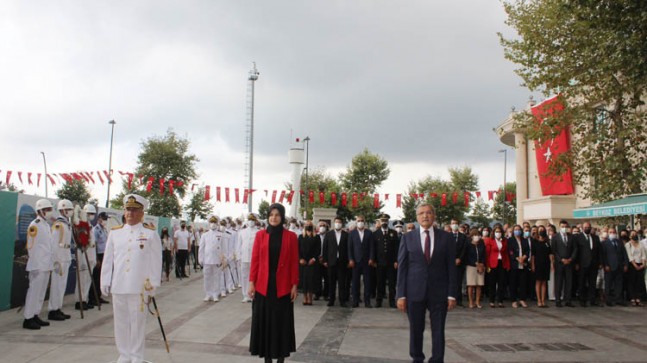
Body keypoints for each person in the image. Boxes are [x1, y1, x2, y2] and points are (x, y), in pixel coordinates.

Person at [100, 194, 162, 363]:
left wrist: (153, 284)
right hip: (119, 284)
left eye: (135, 210)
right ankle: (124, 354)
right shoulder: (115, 233)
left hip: (139, 286)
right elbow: (108, 260)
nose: (130, 213)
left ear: (142, 212)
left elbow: (156, 261)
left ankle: (136, 356)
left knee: (137, 323)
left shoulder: (150, 234)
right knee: (120, 322)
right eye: (128, 209)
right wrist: (105, 281)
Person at [397, 203, 457, 363]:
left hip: (439, 292)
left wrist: (452, 294)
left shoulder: (446, 238)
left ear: (434, 216)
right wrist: (401, 295)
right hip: (414, 291)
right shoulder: (407, 237)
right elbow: (402, 268)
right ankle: (417, 358)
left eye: (429, 212)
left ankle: (437, 359)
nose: (425, 216)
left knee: (438, 330)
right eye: (422, 213)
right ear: (417, 217)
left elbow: (451, 267)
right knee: (416, 329)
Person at [248, 203, 298, 363]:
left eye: (277, 215)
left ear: (282, 217)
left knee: (281, 324)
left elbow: (293, 263)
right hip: (263, 287)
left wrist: (294, 285)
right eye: (271, 214)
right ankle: (267, 359)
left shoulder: (290, 236)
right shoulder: (260, 235)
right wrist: (251, 282)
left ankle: (281, 358)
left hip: (282, 288)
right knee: (266, 323)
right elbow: (255, 260)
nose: (274, 218)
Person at [22, 199, 55, 330]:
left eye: (49, 210)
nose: (48, 212)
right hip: (38, 265)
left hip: (46, 265)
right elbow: (31, 247)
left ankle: (35, 314)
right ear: (40, 211)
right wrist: (35, 265)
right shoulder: (34, 225)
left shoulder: (46, 225)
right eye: (46, 210)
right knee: (34, 292)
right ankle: (28, 318)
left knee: (41, 293)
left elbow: (49, 247)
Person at [48, 199, 74, 321]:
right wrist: (55, 260)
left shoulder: (66, 224)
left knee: (62, 285)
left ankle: (58, 308)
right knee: (56, 285)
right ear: (62, 210)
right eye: (68, 209)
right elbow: (53, 244)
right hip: (59, 258)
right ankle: (53, 310)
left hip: (65, 256)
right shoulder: (58, 225)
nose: (70, 212)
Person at [322, 216, 350, 307]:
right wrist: (325, 260)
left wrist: (349, 260)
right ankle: (331, 300)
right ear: (334, 223)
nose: (338, 224)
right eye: (336, 222)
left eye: (339, 222)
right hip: (331, 262)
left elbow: (348, 249)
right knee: (331, 282)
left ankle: (342, 300)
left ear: (342, 224)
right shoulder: (329, 234)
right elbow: (325, 248)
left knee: (342, 282)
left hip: (342, 262)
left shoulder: (346, 235)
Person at [372, 213, 399, 308]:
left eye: (386, 221)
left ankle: (392, 302)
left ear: (388, 222)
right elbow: (373, 248)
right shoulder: (375, 233)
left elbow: (397, 248)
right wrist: (373, 260)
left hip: (391, 263)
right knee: (380, 283)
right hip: (379, 263)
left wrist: (396, 261)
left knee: (392, 284)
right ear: (380, 221)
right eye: (382, 220)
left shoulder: (393, 233)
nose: (384, 222)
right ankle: (378, 301)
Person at [348, 215, 374, 308]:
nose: (360, 222)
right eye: (358, 221)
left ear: (365, 222)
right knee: (355, 282)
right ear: (356, 222)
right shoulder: (352, 233)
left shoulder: (369, 233)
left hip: (367, 261)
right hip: (355, 261)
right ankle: (355, 301)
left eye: (362, 220)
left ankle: (367, 302)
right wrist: (350, 259)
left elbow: (372, 247)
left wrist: (371, 258)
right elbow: (350, 248)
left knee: (367, 282)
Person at [75, 204, 98, 310]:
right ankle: (79, 300)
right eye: (89, 213)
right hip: (84, 254)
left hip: (91, 254)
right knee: (82, 278)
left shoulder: (90, 226)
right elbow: (81, 242)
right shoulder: (81, 225)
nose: (91, 215)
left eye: (93, 214)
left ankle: (85, 299)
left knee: (88, 279)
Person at [199, 216, 226, 302]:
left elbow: (223, 248)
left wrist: (223, 259)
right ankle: (208, 294)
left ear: (217, 224)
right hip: (207, 259)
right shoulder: (205, 235)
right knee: (207, 277)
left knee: (216, 277)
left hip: (216, 259)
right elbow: (201, 248)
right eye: (211, 222)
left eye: (214, 222)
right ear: (209, 223)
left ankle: (215, 294)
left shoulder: (220, 235)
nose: (213, 224)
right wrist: (201, 259)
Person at [551, 220, 577, 307]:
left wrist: (570, 259)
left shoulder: (572, 237)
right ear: (559, 227)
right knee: (559, 282)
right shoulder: (555, 237)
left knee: (569, 282)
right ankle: (558, 300)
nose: (564, 228)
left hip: (569, 263)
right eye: (562, 227)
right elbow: (554, 251)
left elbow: (575, 249)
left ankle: (568, 300)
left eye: (565, 227)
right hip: (559, 263)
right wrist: (561, 259)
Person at [575, 222, 601, 306]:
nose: (587, 228)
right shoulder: (578, 238)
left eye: (589, 227)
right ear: (582, 228)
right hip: (582, 264)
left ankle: (592, 300)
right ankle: (582, 300)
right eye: (585, 227)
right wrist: (576, 263)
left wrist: (600, 262)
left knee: (592, 283)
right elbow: (576, 251)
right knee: (582, 282)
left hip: (594, 264)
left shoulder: (595, 238)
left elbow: (599, 252)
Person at [601, 228, 629, 306]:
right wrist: (605, 265)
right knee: (608, 284)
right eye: (610, 232)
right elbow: (603, 255)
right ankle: (608, 300)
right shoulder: (604, 243)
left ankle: (618, 299)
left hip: (619, 266)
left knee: (619, 284)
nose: (612, 233)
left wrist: (626, 264)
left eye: (613, 232)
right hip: (609, 266)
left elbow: (624, 254)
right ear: (608, 233)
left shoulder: (619, 242)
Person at [485, 225, 509, 308]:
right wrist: (487, 265)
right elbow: (487, 254)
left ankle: (500, 301)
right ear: (494, 232)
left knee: (501, 282)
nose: (498, 233)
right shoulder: (490, 240)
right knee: (492, 283)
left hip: (502, 263)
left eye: (499, 232)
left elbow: (506, 254)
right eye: (496, 232)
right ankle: (492, 301)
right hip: (492, 264)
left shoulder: (504, 241)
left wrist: (508, 265)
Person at [238, 213, 259, 303]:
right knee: (244, 276)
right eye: (249, 220)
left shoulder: (259, 232)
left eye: (253, 220)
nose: (251, 222)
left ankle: (253, 294)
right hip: (244, 258)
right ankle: (245, 295)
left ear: (255, 221)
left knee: (254, 277)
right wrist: (239, 257)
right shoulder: (242, 232)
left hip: (255, 259)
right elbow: (239, 246)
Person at [299, 220, 321, 305]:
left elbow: (318, 250)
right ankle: (305, 298)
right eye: (307, 224)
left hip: (312, 262)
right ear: (304, 226)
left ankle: (310, 297)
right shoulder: (301, 237)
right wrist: (300, 259)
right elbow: (298, 249)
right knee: (304, 280)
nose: (308, 226)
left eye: (310, 224)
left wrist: (314, 259)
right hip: (303, 262)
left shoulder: (316, 237)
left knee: (311, 280)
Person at [508, 224, 530, 308]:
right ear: (513, 231)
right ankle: (513, 300)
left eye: (519, 229)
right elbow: (510, 251)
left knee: (523, 283)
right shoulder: (510, 240)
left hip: (523, 264)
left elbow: (528, 250)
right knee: (513, 283)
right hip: (514, 264)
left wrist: (524, 257)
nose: (517, 231)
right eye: (516, 229)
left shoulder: (524, 240)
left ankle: (522, 299)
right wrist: (517, 258)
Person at [91, 211, 110, 305]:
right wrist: (96, 259)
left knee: (100, 277)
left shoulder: (104, 230)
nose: (105, 221)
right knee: (95, 277)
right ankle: (93, 298)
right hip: (98, 255)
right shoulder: (96, 229)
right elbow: (94, 245)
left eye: (106, 219)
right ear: (99, 219)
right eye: (104, 219)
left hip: (104, 255)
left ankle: (99, 296)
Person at [531, 225, 552, 308]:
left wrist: (552, 263)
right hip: (537, 264)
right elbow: (533, 255)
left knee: (544, 282)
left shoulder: (547, 242)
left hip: (546, 264)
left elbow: (550, 253)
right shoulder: (534, 241)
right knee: (538, 282)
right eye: (540, 230)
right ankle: (539, 300)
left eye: (543, 230)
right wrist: (533, 265)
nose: (541, 231)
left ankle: (543, 300)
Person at [449, 219, 468, 307]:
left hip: (460, 262)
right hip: (449, 262)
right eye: (453, 223)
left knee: (459, 282)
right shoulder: (447, 236)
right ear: (450, 225)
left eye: (456, 223)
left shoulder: (463, 237)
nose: (454, 225)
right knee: (449, 281)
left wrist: (459, 258)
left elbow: (464, 249)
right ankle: (449, 299)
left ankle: (458, 300)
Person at [625, 231, 646, 306]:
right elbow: (629, 256)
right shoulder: (628, 244)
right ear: (630, 236)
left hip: (641, 264)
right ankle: (632, 298)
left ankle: (638, 298)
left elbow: (643, 254)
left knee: (639, 282)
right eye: (632, 234)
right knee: (632, 282)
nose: (634, 235)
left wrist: (643, 264)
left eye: (635, 234)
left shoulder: (641, 244)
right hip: (632, 265)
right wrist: (635, 265)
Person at [465, 228, 485, 309]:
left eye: (478, 235)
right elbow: (467, 256)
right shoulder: (468, 244)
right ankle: (471, 302)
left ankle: (477, 301)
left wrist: (481, 264)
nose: (477, 237)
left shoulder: (481, 244)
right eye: (475, 235)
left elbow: (484, 255)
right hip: (471, 266)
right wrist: (475, 263)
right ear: (472, 236)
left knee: (479, 285)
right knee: (471, 285)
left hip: (481, 266)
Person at [315, 221, 329, 301]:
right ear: (317, 227)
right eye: (321, 225)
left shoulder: (329, 236)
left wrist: (325, 259)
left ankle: (326, 294)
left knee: (327, 278)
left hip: (326, 260)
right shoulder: (315, 236)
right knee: (317, 278)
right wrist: (318, 257)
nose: (322, 227)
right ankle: (317, 293)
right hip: (317, 260)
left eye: (324, 225)